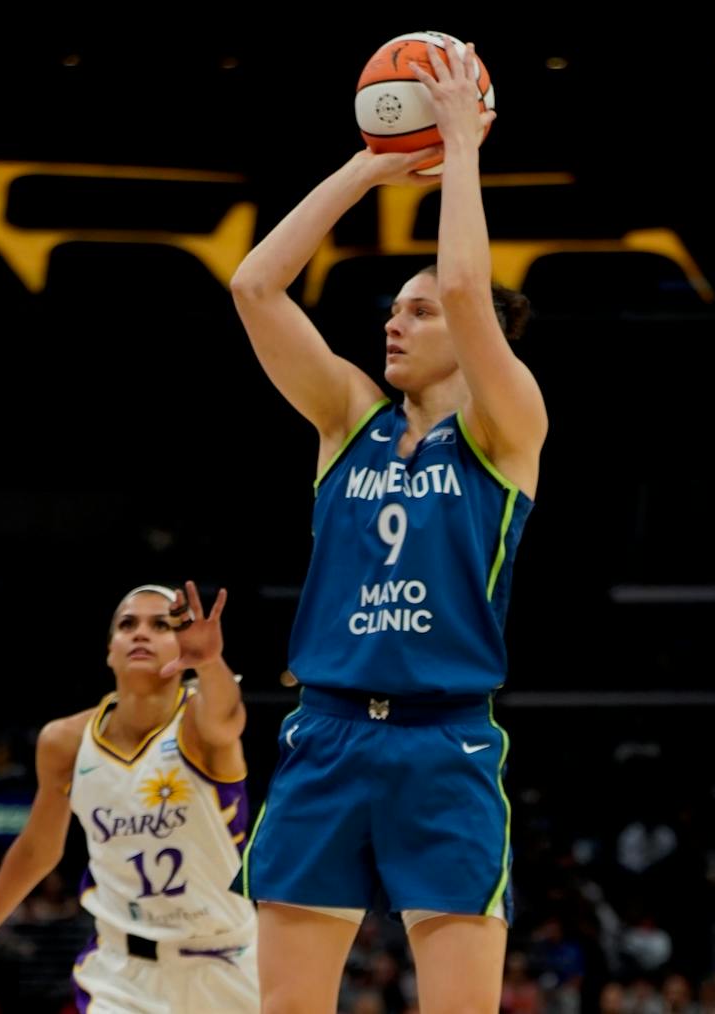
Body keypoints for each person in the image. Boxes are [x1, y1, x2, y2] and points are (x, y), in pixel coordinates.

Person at [229, 35, 547, 1013]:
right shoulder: (347, 421)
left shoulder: (506, 428)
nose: (393, 323)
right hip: (325, 733)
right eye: (393, 310)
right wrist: (371, 167)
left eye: (417, 311)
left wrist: (463, 149)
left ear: (477, 338)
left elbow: (466, 288)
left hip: (443, 744)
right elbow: (254, 286)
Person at [0, 581, 258, 1012]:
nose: (141, 633)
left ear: (181, 646)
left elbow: (227, 715)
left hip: (225, 964)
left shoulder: (198, 723)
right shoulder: (65, 742)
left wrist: (211, 663)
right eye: (128, 624)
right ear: (109, 651)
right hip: (122, 972)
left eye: (160, 625)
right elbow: (37, 850)